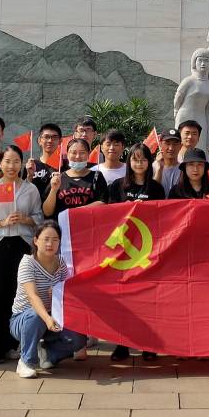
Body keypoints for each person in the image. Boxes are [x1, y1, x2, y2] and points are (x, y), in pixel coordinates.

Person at [0, 146, 43, 367]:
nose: (11, 166)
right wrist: (1, 223)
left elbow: (39, 218)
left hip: (22, 245)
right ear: (0, 163)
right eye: (7, 161)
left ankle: (12, 344)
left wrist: (25, 219)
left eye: (16, 161)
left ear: (22, 164)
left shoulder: (30, 189)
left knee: (19, 296)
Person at [105, 143, 167, 363]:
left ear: (149, 162)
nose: (139, 163)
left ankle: (149, 345)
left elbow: (163, 217)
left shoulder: (156, 188)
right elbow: (108, 215)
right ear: (129, 161)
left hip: (148, 250)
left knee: (148, 299)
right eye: (135, 159)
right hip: (123, 252)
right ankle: (122, 344)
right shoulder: (117, 186)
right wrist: (127, 207)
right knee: (124, 300)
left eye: (143, 159)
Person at [10, 222, 86, 378]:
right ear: (35, 241)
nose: (50, 244)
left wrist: (58, 296)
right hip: (24, 319)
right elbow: (33, 296)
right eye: (45, 239)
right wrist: (47, 318)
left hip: (53, 317)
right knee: (35, 315)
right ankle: (25, 362)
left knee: (79, 339)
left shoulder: (62, 263)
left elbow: (67, 295)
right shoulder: (27, 263)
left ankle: (49, 354)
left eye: (55, 239)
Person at [42, 138, 108, 216]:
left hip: (88, 222)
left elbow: (103, 203)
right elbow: (47, 212)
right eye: (73, 152)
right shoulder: (58, 178)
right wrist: (53, 190)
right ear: (67, 154)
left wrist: (74, 212)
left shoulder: (96, 176)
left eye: (82, 153)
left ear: (88, 154)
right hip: (63, 223)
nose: (77, 156)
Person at [28, 123, 65, 198]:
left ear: (60, 141)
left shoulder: (66, 165)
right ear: (39, 140)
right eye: (46, 137)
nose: (50, 140)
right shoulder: (31, 165)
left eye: (54, 137)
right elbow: (25, 192)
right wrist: (29, 176)